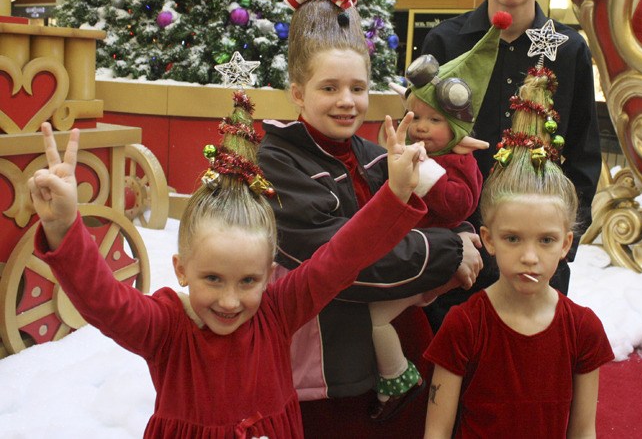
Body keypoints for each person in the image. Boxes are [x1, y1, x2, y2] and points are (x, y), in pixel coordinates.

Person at [28, 88, 428, 439]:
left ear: (270, 275)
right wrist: (64, 227)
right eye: (213, 279)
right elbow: (105, 301)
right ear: (181, 268)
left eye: (248, 280)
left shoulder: (278, 311)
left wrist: (393, 195)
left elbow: (342, 257)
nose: (230, 300)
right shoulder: (166, 328)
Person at [257, 0, 483, 432]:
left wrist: (461, 223)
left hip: (400, 351)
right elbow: (339, 259)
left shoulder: (371, 151)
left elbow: (433, 210)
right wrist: (448, 249)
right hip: (329, 369)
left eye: (358, 88)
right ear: (297, 91)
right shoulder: (276, 159)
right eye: (329, 88)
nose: (347, 102)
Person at [421, 0, 601, 317]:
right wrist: (443, 236)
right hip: (459, 250)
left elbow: (583, 155)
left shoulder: (569, 50)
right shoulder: (445, 42)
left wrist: (560, 244)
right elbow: (422, 149)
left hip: (537, 256)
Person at [423, 60, 614, 438]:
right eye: (513, 239)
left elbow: (583, 431)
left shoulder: (583, 330)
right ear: (489, 239)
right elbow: (437, 432)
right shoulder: (464, 326)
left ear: (566, 244)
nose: (530, 257)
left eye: (546, 240)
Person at [368, 11, 510, 420]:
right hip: (411, 254)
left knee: (376, 318)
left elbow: (458, 205)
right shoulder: (422, 153)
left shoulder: (457, 162)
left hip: (439, 262)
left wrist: (422, 173)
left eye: (435, 120)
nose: (423, 129)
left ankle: (398, 380)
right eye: (419, 119)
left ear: (455, 125)